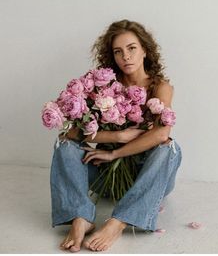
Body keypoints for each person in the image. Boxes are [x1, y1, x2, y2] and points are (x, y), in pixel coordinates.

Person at [50, 19, 182, 252]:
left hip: (146, 179)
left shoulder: (160, 87)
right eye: (118, 52)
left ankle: (118, 221)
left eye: (132, 48)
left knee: (170, 147)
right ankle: (80, 216)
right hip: (105, 177)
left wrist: (116, 154)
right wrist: (117, 137)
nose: (126, 57)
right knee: (64, 144)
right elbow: (70, 131)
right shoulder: (102, 86)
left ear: (144, 50)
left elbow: (161, 134)